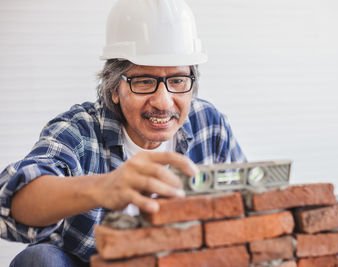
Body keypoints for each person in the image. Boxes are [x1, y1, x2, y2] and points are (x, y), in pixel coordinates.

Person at [0, 0, 246, 266]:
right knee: (39, 258)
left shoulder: (209, 124)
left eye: (177, 80)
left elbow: (249, 205)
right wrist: (104, 186)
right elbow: (10, 203)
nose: (163, 102)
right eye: (144, 81)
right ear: (114, 88)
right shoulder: (80, 131)